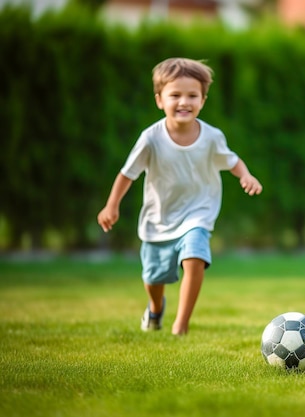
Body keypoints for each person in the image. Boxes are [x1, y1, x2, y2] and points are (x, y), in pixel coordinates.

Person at [97, 57, 263, 335]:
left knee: (195, 258)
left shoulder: (211, 137)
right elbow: (128, 174)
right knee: (153, 277)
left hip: (198, 214)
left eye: (192, 96)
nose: (184, 102)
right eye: (175, 95)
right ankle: (155, 307)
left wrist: (245, 176)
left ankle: (181, 325)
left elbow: (232, 161)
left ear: (203, 100)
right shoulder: (151, 138)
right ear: (159, 100)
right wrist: (111, 206)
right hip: (159, 218)